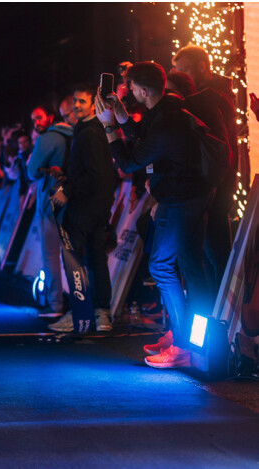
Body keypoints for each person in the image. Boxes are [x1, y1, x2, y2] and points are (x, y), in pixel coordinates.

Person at [95, 61, 213, 368]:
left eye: (131, 87)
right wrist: (119, 111)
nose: (129, 91)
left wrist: (108, 126)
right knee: (189, 265)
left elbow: (129, 162)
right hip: (190, 194)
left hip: (180, 198)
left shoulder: (165, 123)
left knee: (161, 266)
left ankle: (183, 346)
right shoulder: (167, 109)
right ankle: (185, 338)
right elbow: (140, 133)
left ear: (143, 90)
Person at [49, 84, 119, 333]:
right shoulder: (92, 129)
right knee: (96, 259)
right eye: (75, 101)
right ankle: (101, 316)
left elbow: (96, 173)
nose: (76, 105)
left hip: (85, 208)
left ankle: (80, 315)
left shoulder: (89, 132)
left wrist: (67, 191)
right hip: (98, 206)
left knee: (75, 259)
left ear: (93, 105)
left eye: (82, 101)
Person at [172, 45, 237, 289]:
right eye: (177, 71)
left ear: (202, 67)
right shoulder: (209, 96)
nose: (181, 76)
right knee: (210, 255)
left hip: (214, 186)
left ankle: (221, 307)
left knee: (215, 254)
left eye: (185, 70)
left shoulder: (210, 98)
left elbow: (218, 149)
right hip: (211, 184)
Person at [26, 95, 76, 319]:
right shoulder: (79, 135)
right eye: (33, 119)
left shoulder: (48, 138)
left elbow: (32, 172)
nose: (35, 122)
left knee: (51, 255)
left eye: (38, 117)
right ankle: (83, 305)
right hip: (76, 199)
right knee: (76, 256)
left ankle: (55, 303)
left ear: (52, 117)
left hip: (52, 202)